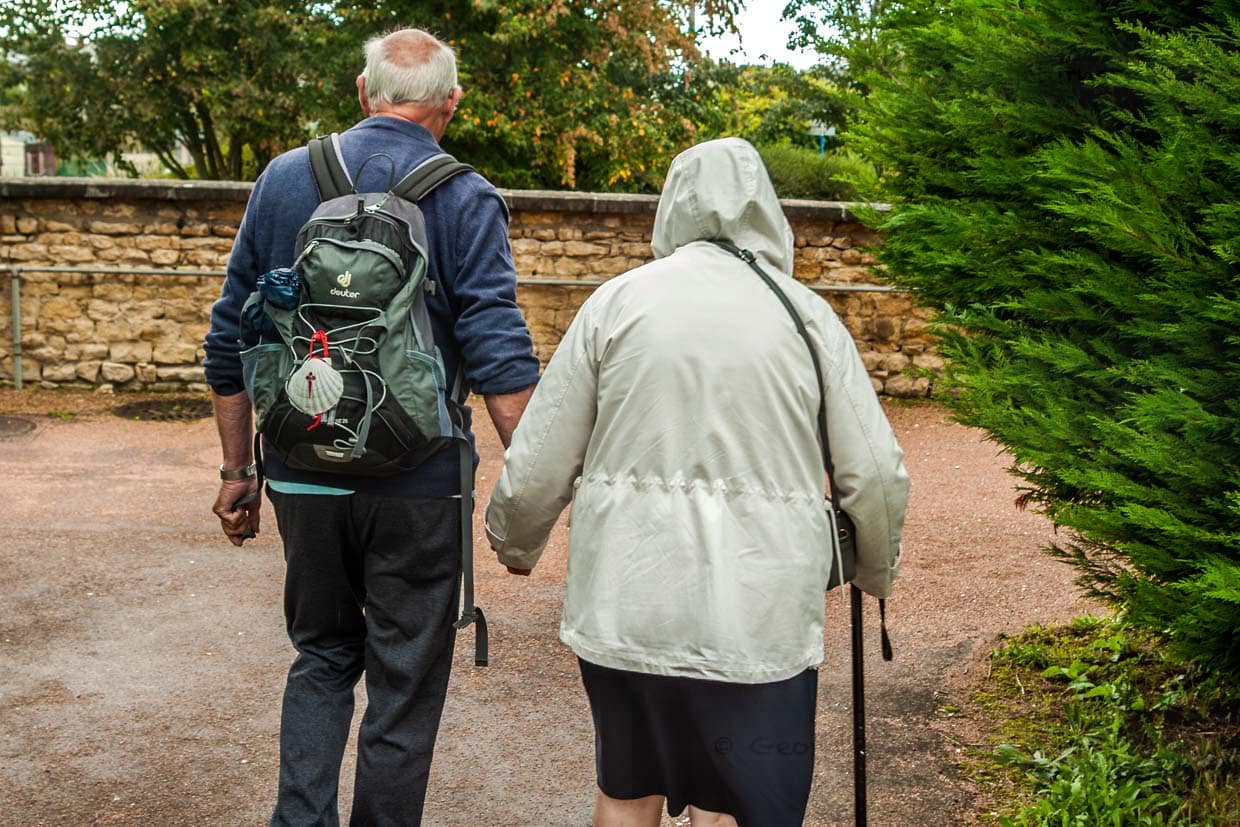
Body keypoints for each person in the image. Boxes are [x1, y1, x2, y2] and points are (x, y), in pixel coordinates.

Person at [484, 138, 910, 827]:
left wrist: (515, 540)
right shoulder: (807, 317)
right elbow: (876, 473)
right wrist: (874, 567)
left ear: (672, 205)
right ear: (766, 209)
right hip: (756, 617)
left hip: (628, 605)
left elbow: (540, 452)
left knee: (627, 788)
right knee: (732, 802)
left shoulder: (615, 304)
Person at [202, 29, 540, 826]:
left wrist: (235, 472)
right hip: (419, 484)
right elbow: (498, 353)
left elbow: (229, 337)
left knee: (320, 656)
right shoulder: (465, 196)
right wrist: (534, 491)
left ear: (364, 91)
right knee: (404, 682)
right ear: (451, 103)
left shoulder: (285, 179)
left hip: (301, 470)